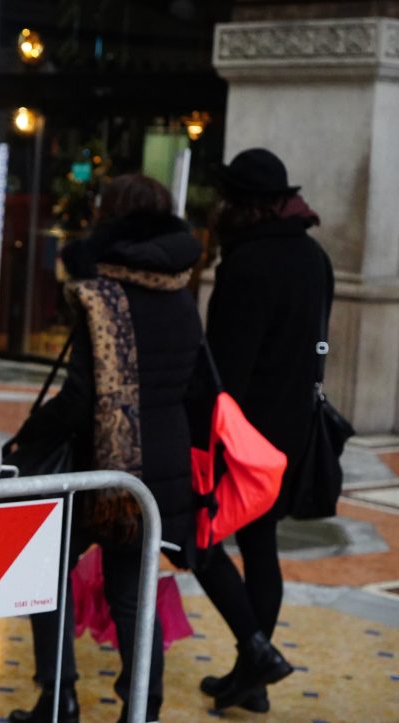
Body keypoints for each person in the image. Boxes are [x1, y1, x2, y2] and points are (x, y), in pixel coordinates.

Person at [3, 174, 205, 723]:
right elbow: (197, 388)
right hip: (159, 474)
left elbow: (78, 400)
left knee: (45, 571)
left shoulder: (100, 298)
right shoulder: (184, 297)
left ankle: (58, 699)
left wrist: (26, 438)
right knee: (135, 596)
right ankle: (142, 709)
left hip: (99, 469)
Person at [190, 148, 327, 712]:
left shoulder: (246, 266)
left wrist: (202, 436)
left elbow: (224, 367)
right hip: (293, 430)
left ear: (241, 205)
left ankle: (255, 658)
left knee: (197, 541)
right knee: (261, 544)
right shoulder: (315, 258)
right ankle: (250, 675)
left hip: (242, 435)